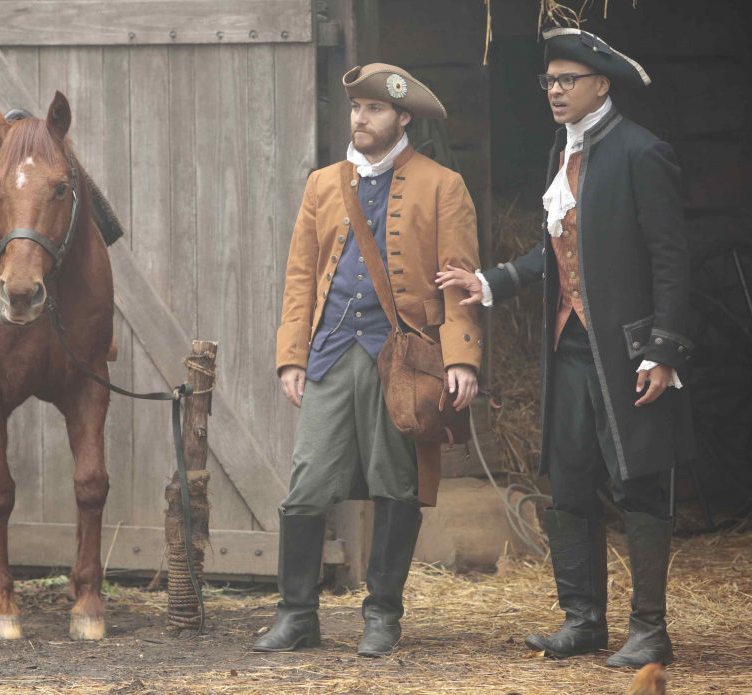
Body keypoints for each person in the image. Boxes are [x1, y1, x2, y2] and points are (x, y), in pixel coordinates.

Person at [436, 29, 692, 668]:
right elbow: (553, 250)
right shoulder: (562, 151)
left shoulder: (641, 151)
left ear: (601, 85)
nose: (554, 90)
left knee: (639, 484)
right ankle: (583, 622)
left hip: (628, 353)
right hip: (569, 351)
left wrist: (663, 349)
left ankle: (649, 631)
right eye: (549, 81)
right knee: (571, 484)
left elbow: (671, 259)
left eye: (567, 80)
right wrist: (490, 282)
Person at [252, 63, 483, 657]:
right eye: (356, 107)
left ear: (402, 117)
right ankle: (297, 614)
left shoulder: (443, 186)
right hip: (330, 354)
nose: (361, 117)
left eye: (375, 109)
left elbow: (458, 285)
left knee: (395, 488)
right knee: (305, 487)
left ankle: (382, 615)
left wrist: (461, 359)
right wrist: (291, 356)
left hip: (399, 360)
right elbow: (300, 276)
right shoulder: (323, 183)